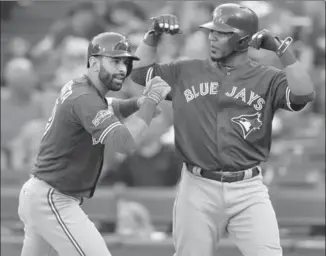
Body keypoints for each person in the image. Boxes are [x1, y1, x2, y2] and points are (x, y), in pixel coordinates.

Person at [130, 3, 315, 256]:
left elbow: (304, 94)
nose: (212, 37)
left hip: (248, 189)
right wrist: (152, 36)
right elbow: (139, 74)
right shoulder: (186, 70)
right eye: (212, 31)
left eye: (222, 33)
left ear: (243, 40)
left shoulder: (268, 78)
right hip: (197, 187)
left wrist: (283, 51)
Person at [17, 31, 171, 256]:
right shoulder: (85, 98)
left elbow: (109, 106)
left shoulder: (83, 87)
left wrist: (138, 103)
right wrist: (150, 102)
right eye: (115, 61)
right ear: (93, 62)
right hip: (53, 198)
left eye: (126, 62)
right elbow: (124, 143)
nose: (122, 69)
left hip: (41, 194)